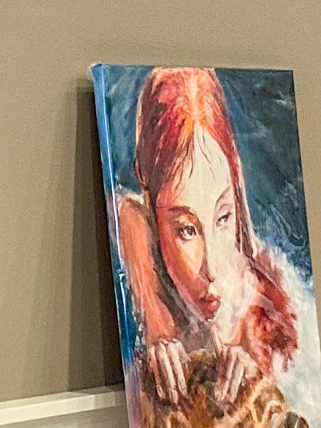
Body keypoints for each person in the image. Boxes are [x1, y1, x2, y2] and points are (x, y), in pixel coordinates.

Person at [115, 67, 301, 410]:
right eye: (187, 229)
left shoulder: (265, 298)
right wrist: (158, 323)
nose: (212, 268)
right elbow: (127, 212)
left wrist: (257, 379)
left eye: (223, 217)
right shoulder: (134, 226)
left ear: (236, 181)